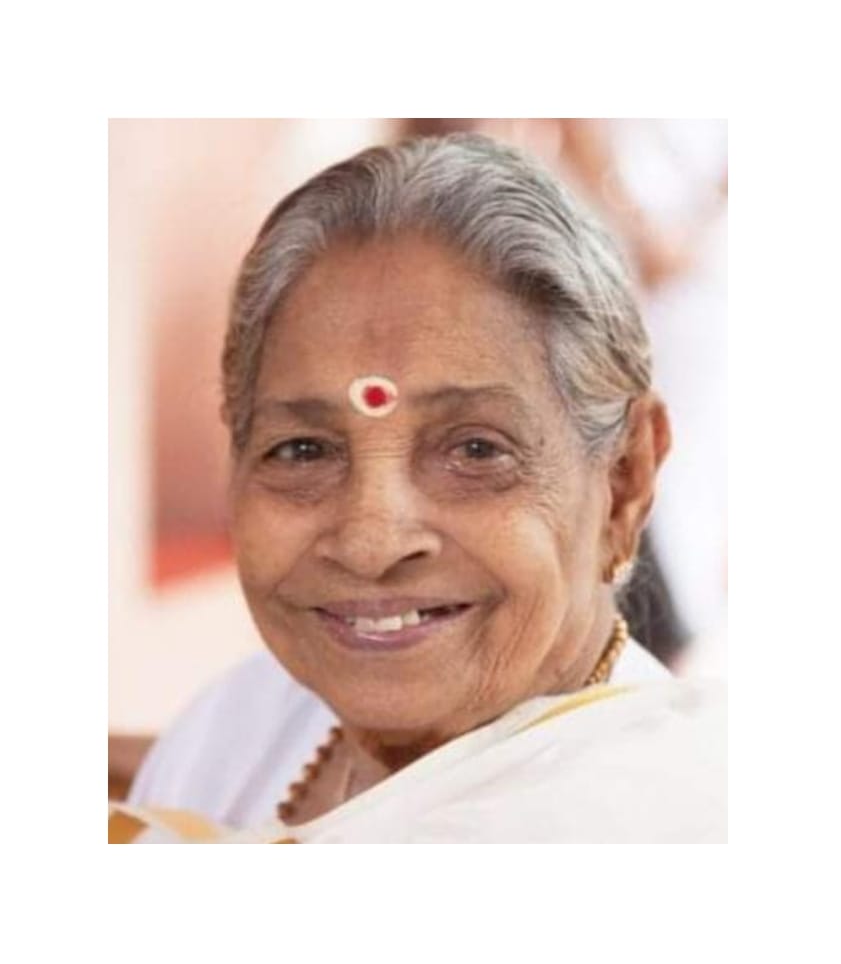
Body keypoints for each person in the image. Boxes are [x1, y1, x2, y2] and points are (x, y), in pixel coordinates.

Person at [111, 133, 726, 843]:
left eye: (475, 450)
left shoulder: (653, 819)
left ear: (625, 480)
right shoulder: (243, 720)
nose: (371, 542)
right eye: (304, 450)